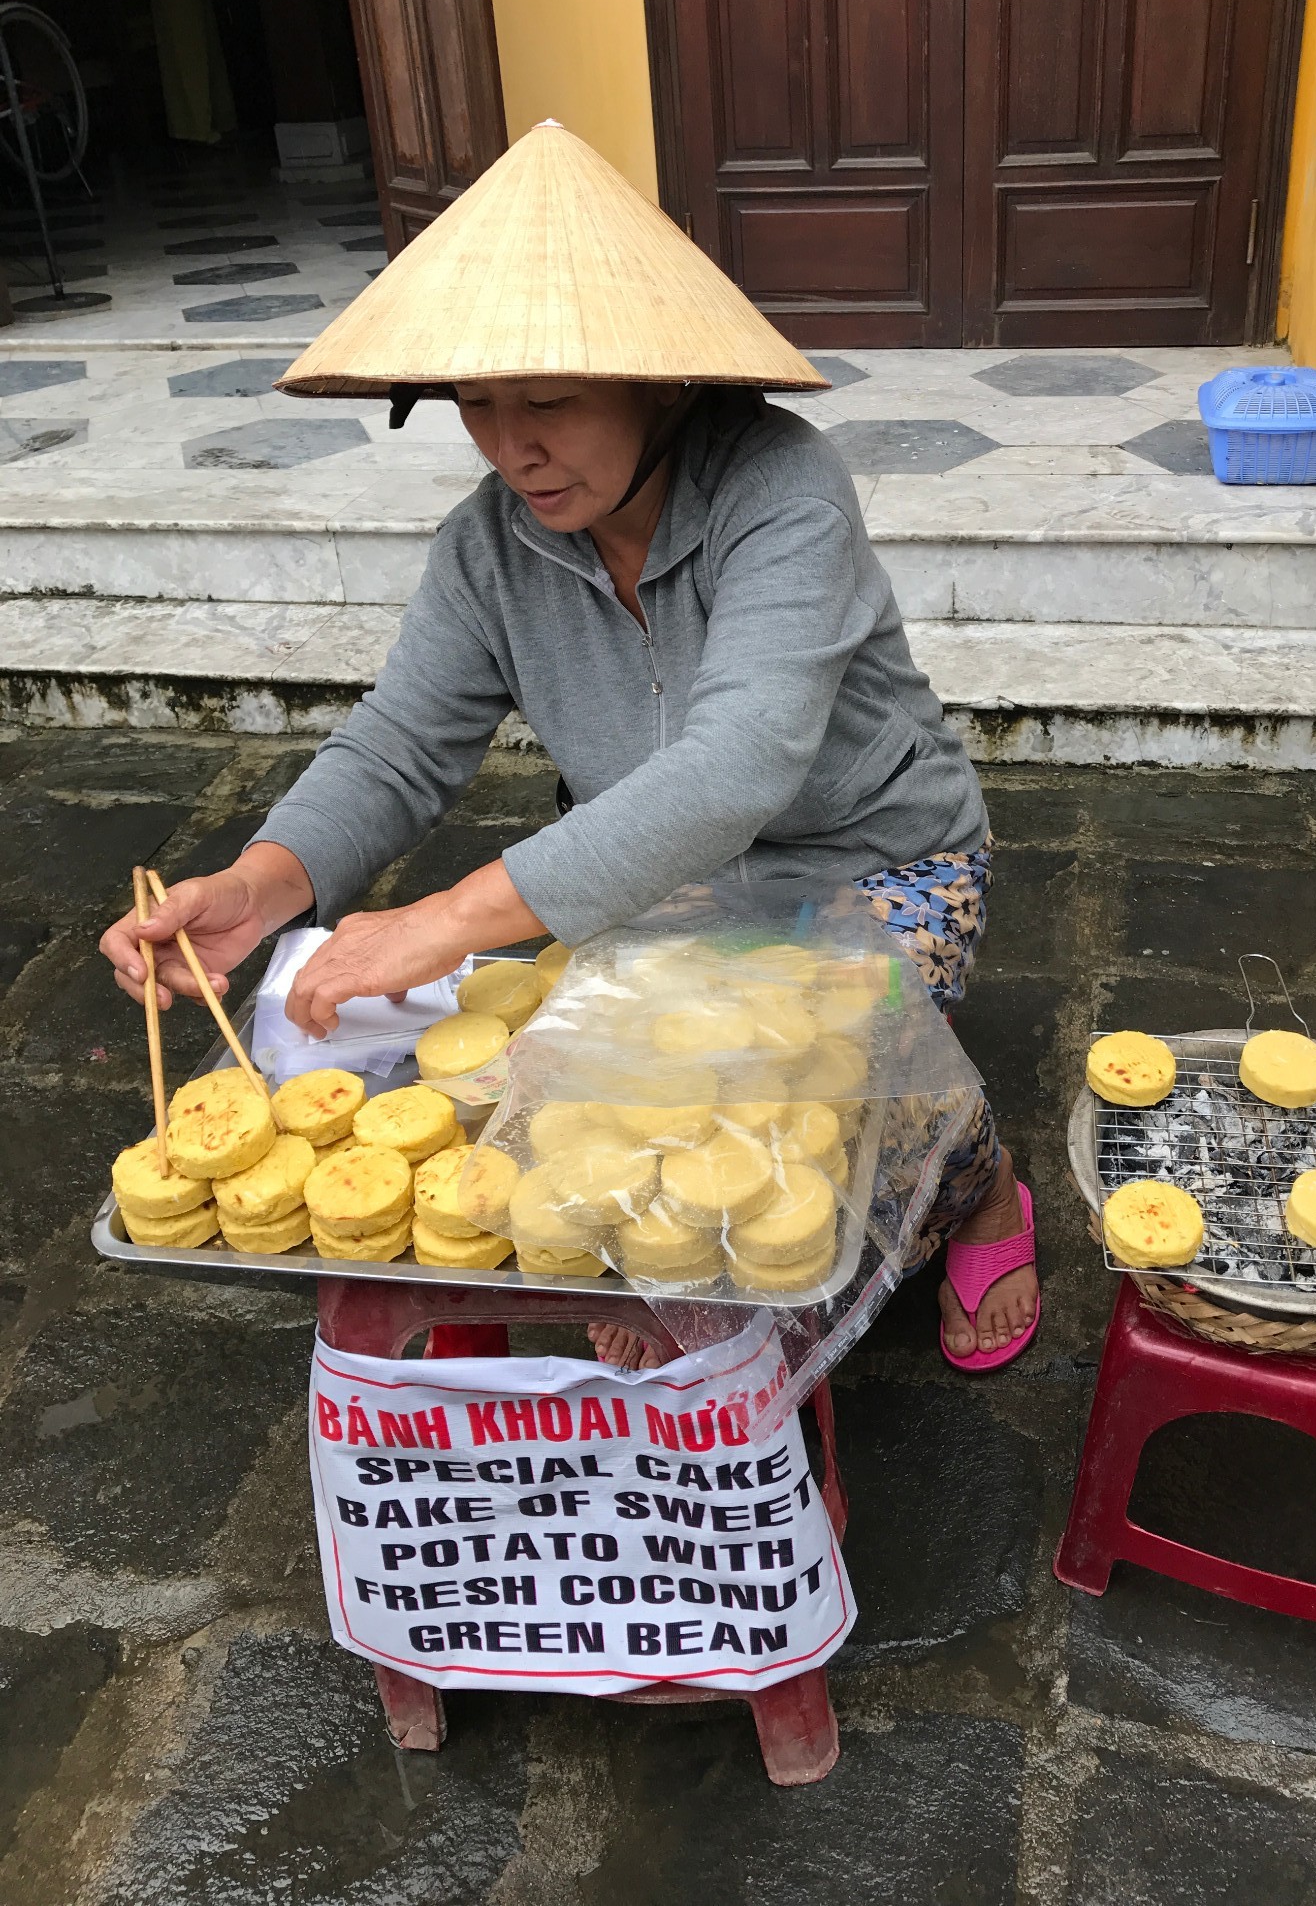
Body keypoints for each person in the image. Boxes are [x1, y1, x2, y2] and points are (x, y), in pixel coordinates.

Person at [99, 122, 1040, 1371]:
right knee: (613, 1114)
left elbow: (737, 763)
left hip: (879, 858)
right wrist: (258, 886)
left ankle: (981, 1183)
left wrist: (445, 918)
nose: (511, 446)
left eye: (546, 401)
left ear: (660, 382)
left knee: (840, 1086)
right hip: (668, 879)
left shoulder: (782, 489)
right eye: (476, 405)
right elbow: (397, 745)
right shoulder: (488, 549)